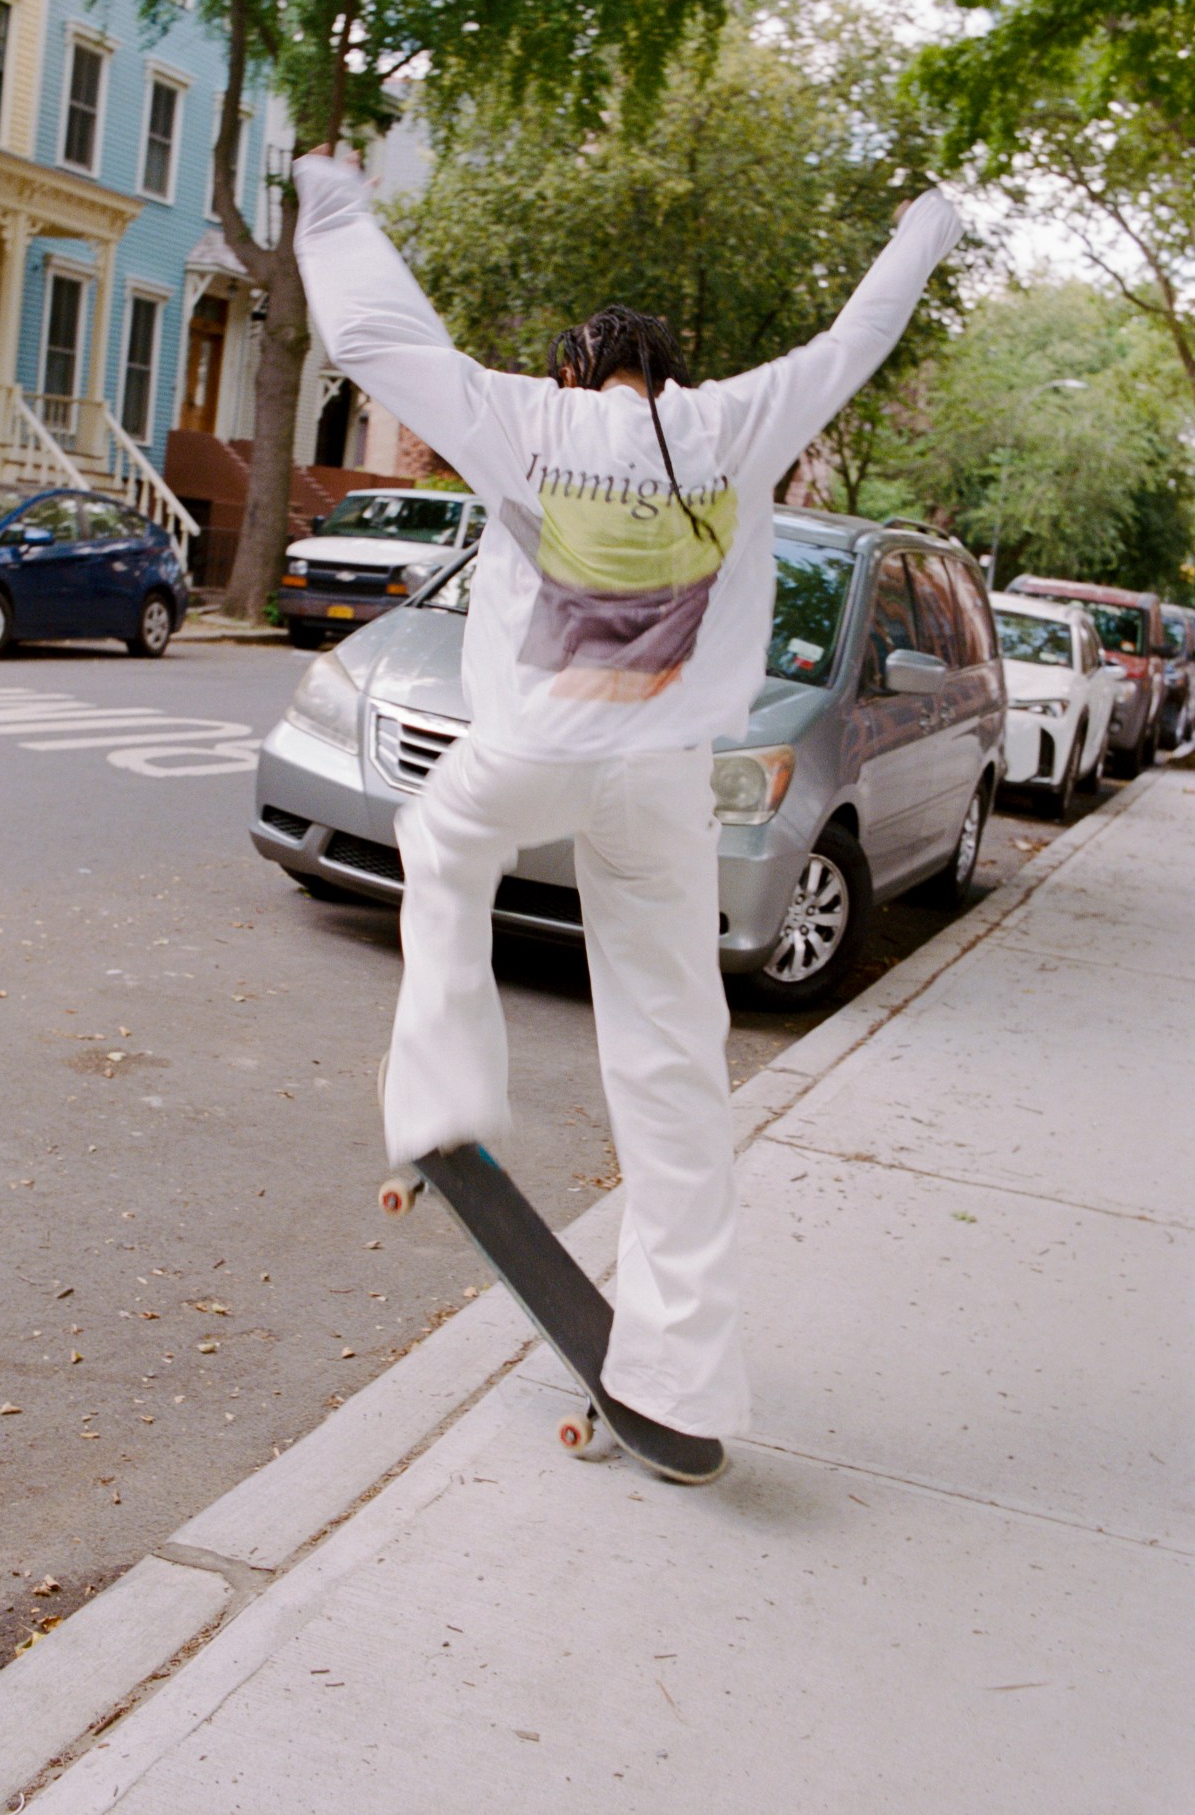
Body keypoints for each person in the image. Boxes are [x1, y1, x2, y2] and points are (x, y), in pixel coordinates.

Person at [293, 151, 962, 1474]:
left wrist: (334, 197)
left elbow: (373, 331)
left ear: (568, 373)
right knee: (669, 1055)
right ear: (666, 376)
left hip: (535, 746)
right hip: (665, 777)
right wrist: (926, 222)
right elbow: (862, 332)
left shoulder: (522, 423)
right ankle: (686, 1375)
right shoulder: (736, 424)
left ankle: (440, 1105)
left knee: (440, 844)